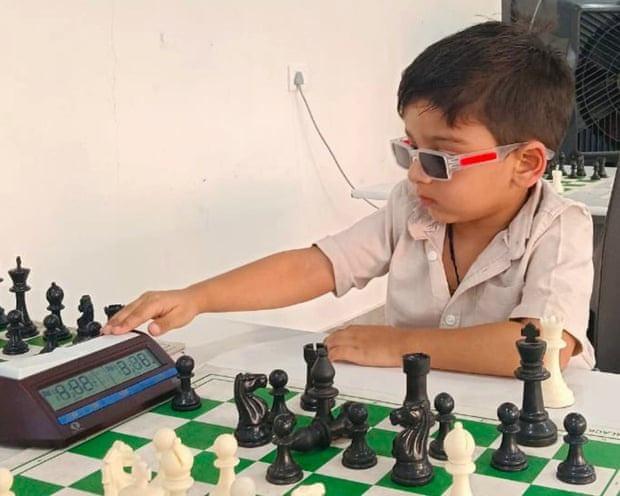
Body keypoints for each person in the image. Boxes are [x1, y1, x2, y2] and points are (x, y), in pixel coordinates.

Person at [103, 21, 594, 377]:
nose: (416, 174)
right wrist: (197, 297)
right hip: (426, 404)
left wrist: (402, 346)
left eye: (440, 158)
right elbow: (316, 267)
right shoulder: (412, 206)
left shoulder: (559, 226)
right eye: (409, 149)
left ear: (526, 163)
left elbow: (541, 348)